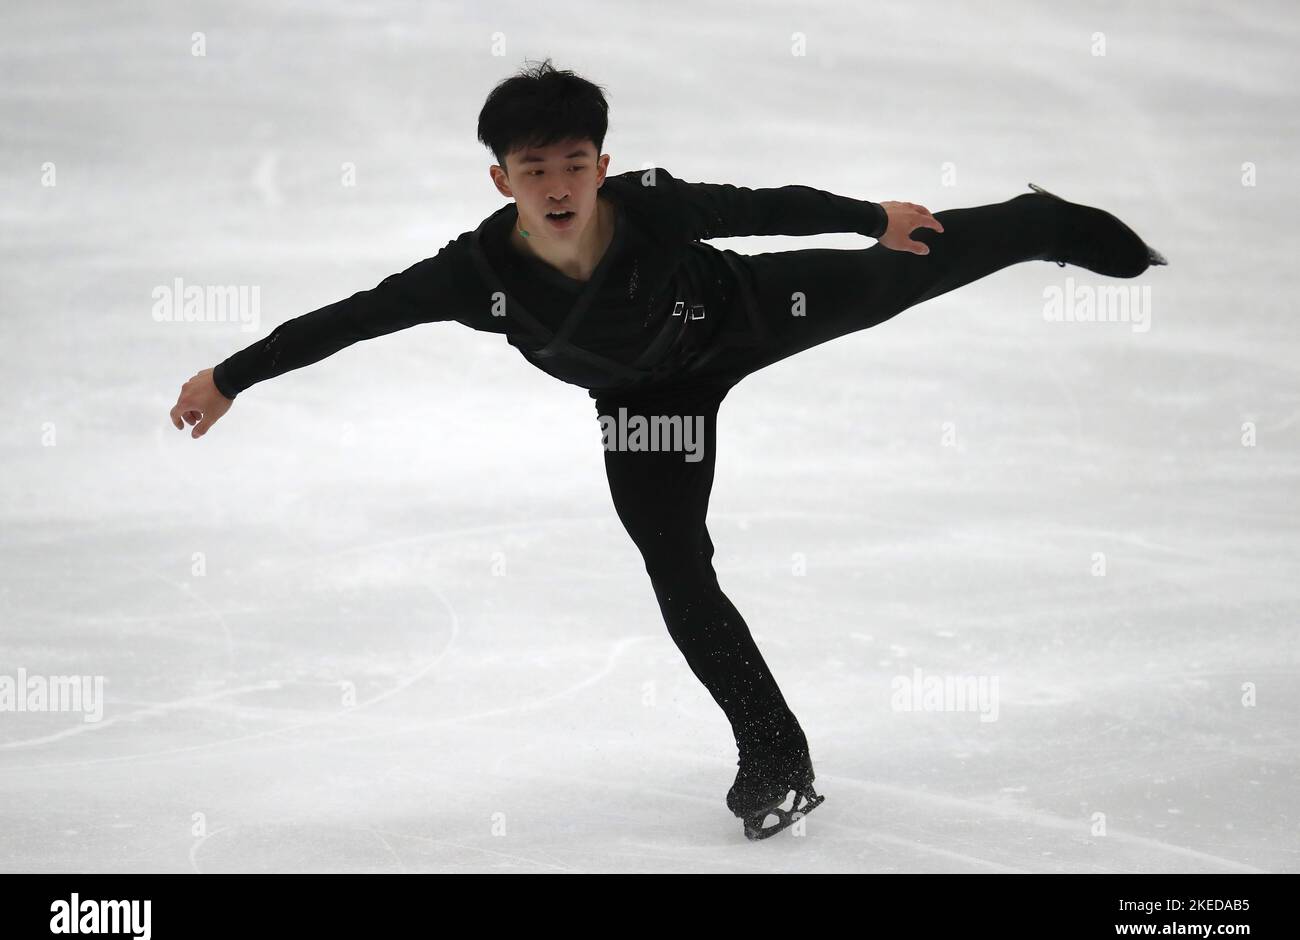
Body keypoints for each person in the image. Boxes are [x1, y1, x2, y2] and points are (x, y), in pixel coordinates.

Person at [169, 58, 1165, 841]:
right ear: (501, 178)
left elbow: (761, 208)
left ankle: (1035, 223)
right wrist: (231, 376)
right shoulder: (474, 275)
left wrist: (874, 218)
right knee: (677, 569)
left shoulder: (653, 206)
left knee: (904, 269)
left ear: (601, 165)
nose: (557, 186)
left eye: (573, 164)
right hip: (649, 407)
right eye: (533, 170)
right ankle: (775, 758)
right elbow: (354, 316)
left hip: (754, 311)